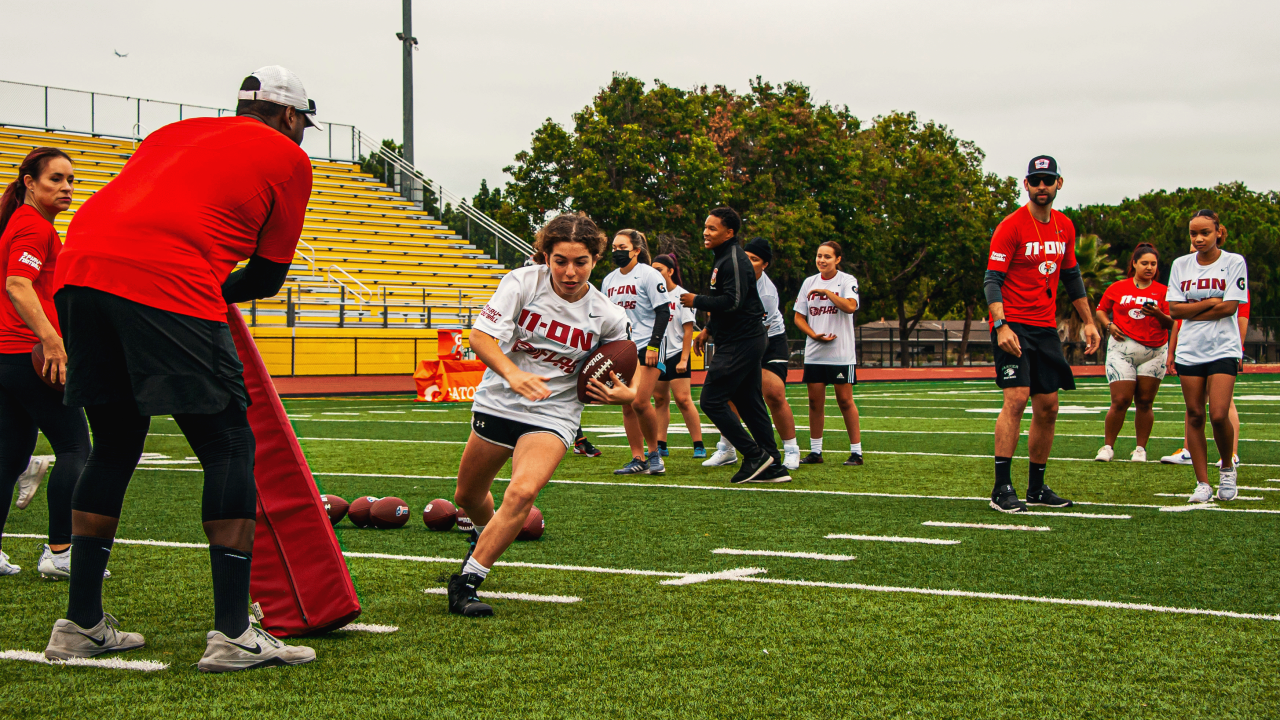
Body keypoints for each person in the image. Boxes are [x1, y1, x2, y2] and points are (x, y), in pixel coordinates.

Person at [43, 66, 318, 671]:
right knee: (226, 442)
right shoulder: (290, 159)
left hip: (79, 272)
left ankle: (80, 623)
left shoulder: (173, 131)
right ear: (292, 117)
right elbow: (267, 278)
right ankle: (230, 634)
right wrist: (214, 289)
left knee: (112, 444)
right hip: (165, 279)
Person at [448, 213, 633, 617]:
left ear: (596, 258)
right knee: (467, 496)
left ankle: (467, 581)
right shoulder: (521, 282)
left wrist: (627, 392)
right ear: (545, 256)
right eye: (560, 260)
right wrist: (514, 375)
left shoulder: (608, 314)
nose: (570, 271)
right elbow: (479, 337)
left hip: (555, 410)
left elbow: (628, 367)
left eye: (580, 261)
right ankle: (487, 534)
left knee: (522, 492)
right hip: (500, 398)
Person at [984, 155, 1101, 513]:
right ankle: (1001, 487)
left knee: (1048, 406)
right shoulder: (1011, 226)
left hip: (1045, 326)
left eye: (1048, 180)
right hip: (1013, 324)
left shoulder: (1065, 226)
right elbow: (992, 280)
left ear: (1058, 184)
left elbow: (1071, 276)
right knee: (1016, 398)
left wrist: (1090, 321)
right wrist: (1001, 325)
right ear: (1026, 185)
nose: (1042, 187)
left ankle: (1036, 488)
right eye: (1035, 181)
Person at [0, 148, 93, 580]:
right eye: (55, 179)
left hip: (7, 357)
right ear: (30, 183)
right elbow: (18, 284)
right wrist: (52, 342)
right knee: (76, 448)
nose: (66, 187)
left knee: (9, 456)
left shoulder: (21, 222)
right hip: (27, 355)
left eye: (70, 180)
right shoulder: (33, 226)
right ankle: (59, 551)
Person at [681, 208, 789, 483]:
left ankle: (755, 455)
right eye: (705, 227)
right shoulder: (723, 258)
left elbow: (733, 301)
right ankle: (773, 465)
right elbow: (728, 304)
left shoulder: (733, 260)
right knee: (749, 402)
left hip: (741, 342)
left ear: (729, 233)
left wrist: (696, 300)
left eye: (713, 228)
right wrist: (708, 330)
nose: (706, 232)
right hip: (741, 339)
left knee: (711, 400)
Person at [1166, 209, 1247, 503]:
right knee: (1195, 414)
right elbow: (1174, 311)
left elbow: (1230, 308)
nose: (1198, 239)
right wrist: (1212, 301)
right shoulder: (1180, 265)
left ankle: (1227, 468)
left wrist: (1194, 309)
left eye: (1205, 233)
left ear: (1218, 232)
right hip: (1190, 349)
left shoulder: (1234, 262)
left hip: (1224, 347)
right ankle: (1203, 483)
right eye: (1193, 233)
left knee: (1218, 413)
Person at [1094, 243, 1172, 462]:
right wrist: (1109, 325)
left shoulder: (1164, 291)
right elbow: (1100, 310)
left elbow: (1172, 323)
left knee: (1145, 401)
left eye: (1153, 264)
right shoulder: (1118, 287)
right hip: (1122, 349)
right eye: (1144, 263)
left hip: (1154, 350)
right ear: (1134, 264)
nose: (1149, 267)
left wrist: (1157, 313)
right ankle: (1107, 446)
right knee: (1120, 399)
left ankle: (1140, 449)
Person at [1161, 275, 1247, 468]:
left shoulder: (1229, 272)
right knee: (1194, 407)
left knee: (1223, 406)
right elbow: (1177, 319)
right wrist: (1172, 350)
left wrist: (1238, 348)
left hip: (1221, 347)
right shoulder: (1185, 272)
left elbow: (1240, 315)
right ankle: (1188, 450)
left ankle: (1231, 454)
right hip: (1191, 348)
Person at [600, 230, 668, 476]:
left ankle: (654, 454)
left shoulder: (649, 275)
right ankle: (637, 458)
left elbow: (663, 312)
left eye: (622, 246)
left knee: (640, 401)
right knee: (627, 403)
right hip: (622, 348)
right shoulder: (608, 280)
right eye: (614, 247)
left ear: (636, 250)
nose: (617, 251)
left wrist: (653, 345)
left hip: (648, 344)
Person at [793, 241, 862, 466]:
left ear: (838, 259)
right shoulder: (808, 282)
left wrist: (827, 293)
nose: (822, 260)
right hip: (815, 353)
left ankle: (856, 452)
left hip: (841, 354)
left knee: (844, 401)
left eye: (827, 257)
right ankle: (815, 451)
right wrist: (813, 335)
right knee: (814, 402)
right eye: (819, 255)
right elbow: (798, 317)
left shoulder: (847, 280)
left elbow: (850, 306)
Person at [650, 254, 704, 458]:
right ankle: (661, 444)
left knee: (683, 399)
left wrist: (684, 359)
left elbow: (688, 330)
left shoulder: (683, 296)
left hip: (676, 354)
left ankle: (698, 444)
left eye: (659, 270)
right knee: (660, 399)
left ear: (670, 271)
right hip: (658, 354)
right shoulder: (652, 295)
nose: (655, 274)